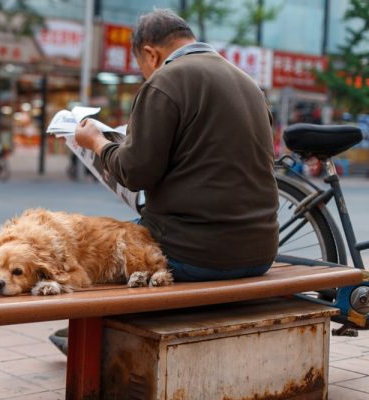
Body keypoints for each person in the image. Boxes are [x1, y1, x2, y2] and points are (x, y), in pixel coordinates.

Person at [50, 9, 279, 353]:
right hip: (261, 251)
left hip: (196, 254)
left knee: (97, 248)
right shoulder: (247, 83)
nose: (145, 73)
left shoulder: (165, 81)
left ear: (150, 53)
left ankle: (97, 336)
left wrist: (97, 142)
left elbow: (136, 172)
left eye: (142, 65)